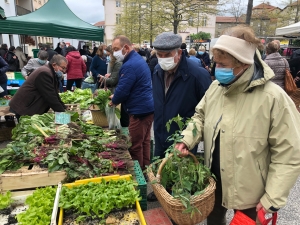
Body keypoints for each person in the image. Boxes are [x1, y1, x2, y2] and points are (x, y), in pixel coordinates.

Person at [175, 26, 300, 225]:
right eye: (216, 63)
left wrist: (272, 198)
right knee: (214, 221)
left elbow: (289, 152)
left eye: (223, 64)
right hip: (214, 182)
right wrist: (186, 139)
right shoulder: (216, 88)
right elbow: (200, 116)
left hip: (251, 192)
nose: (218, 69)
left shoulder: (273, 97)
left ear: (243, 63)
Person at [147, 32, 211, 202]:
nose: (162, 59)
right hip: (160, 130)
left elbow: (206, 111)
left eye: (167, 55)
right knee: (160, 163)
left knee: (181, 173)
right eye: (159, 55)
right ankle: (160, 191)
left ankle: (179, 201)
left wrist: (190, 138)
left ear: (179, 53)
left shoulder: (197, 75)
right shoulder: (157, 71)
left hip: (183, 137)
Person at [110, 35, 154, 171]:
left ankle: (138, 172)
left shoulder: (129, 65)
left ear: (126, 48)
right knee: (145, 142)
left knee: (135, 144)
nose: (114, 53)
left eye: (116, 49)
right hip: (148, 107)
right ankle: (146, 169)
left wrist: (114, 100)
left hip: (139, 110)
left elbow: (123, 90)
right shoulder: (138, 60)